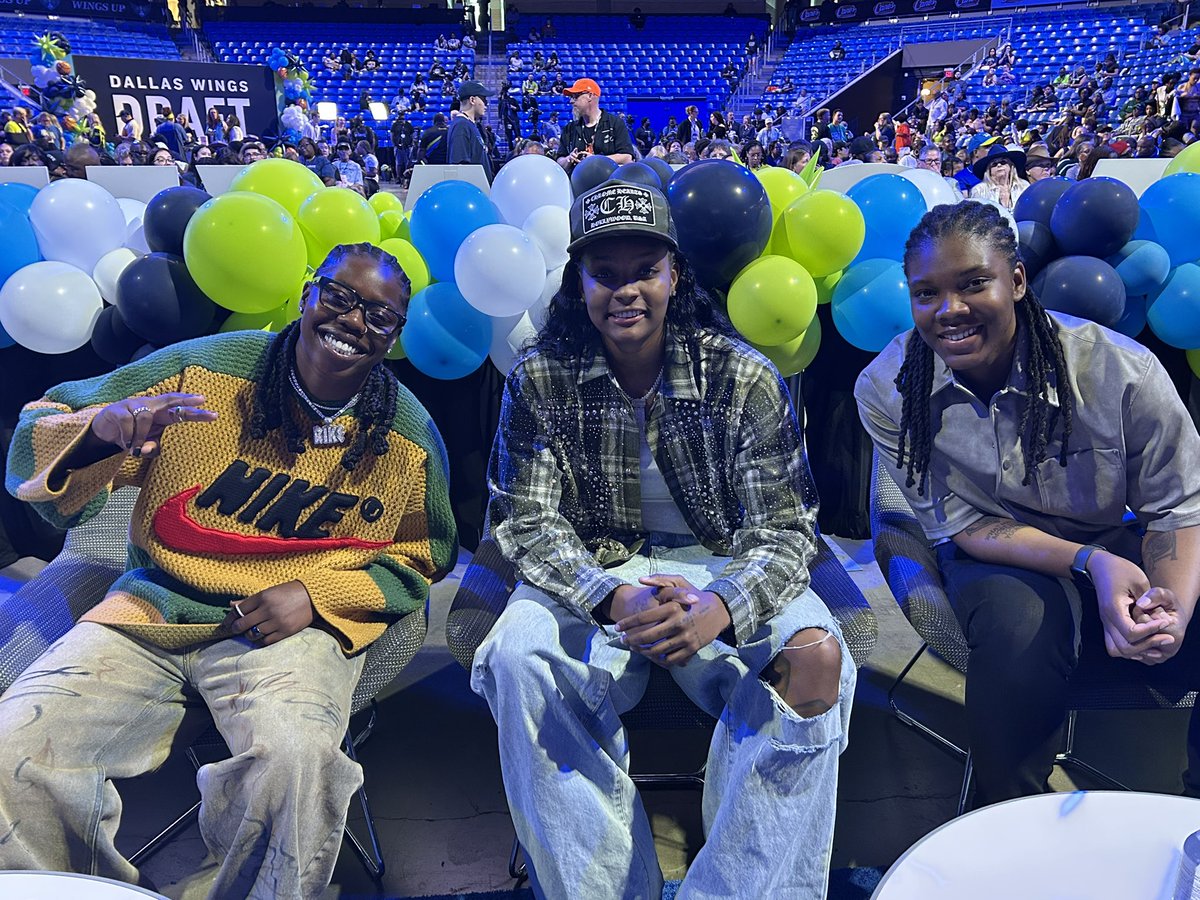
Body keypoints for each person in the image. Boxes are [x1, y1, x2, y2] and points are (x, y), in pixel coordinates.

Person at [0, 243, 456, 897]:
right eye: (339, 297)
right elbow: (42, 421)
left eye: (379, 316)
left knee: (296, 765)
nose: (355, 321)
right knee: (12, 748)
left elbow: (423, 558)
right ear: (306, 294)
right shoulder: (201, 369)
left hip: (289, 635)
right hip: (152, 609)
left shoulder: (407, 434)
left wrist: (317, 595)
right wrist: (103, 430)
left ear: (394, 335)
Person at [474, 180, 853, 898]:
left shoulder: (744, 377)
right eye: (604, 274)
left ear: (674, 275)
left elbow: (785, 526)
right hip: (592, 571)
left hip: (723, 566)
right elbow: (526, 520)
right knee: (518, 658)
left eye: (644, 271)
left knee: (817, 658)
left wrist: (723, 606)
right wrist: (611, 595)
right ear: (576, 284)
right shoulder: (538, 378)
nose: (626, 292)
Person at [855, 201, 1200, 807]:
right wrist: (1092, 564)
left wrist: (1165, 606)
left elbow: (1179, 506)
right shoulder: (887, 388)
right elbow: (964, 525)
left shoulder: (1121, 371)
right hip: (994, 550)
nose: (949, 311)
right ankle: (1007, 815)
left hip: (1113, 534)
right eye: (925, 293)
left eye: (972, 284)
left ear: (1015, 281)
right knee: (1020, 629)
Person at [556, 78, 635, 174]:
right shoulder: (569, 129)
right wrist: (569, 158)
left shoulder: (614, 123)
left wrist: (596, 160)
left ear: (590, 96)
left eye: (575, 96)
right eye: (571, 97)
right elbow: (559, 162)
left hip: (607, 183)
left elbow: (627, 157)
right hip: (578, 184)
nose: (571, 101)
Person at [447, 80, 495, 181]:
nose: (486, 104)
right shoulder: (461, 126)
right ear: (472, 100)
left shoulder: (470, 125)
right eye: (483, 99)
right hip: (472, 194)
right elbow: (461, 168)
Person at [968, 144, 1028, 209]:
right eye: (994, 164)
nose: (999, 165)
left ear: (1011, 166)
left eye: (1003, 162)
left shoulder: (1024, 186)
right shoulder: (979, 190)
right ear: (988, 170)